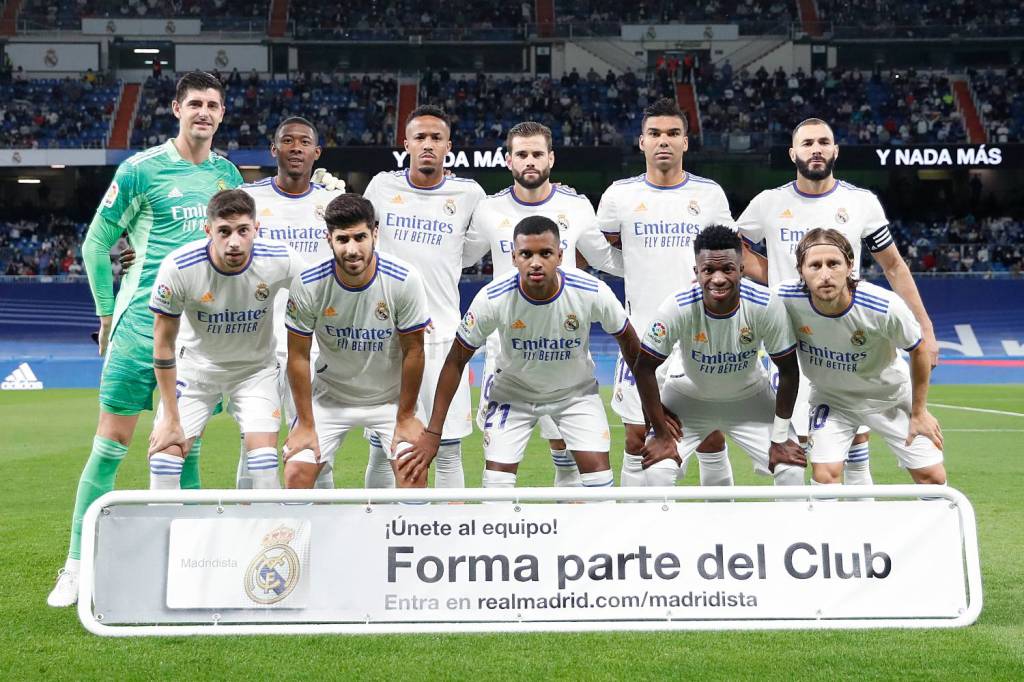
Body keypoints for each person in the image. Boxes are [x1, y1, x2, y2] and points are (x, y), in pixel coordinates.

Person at [48, 71, 242, 608]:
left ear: (222, 114)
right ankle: (76, 564)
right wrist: (106, 313)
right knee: (110, 443)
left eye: (213, 105)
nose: (204, 112)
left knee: (187, 447)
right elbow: (96, 244)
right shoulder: (140, 170)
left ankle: (193, 569)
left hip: (197, 336)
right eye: (195, 103)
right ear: (177, 109)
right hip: (139, 326)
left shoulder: (226, 175)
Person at [738, 117, 939, 486]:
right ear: (793, 153)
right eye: (807, 143)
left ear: (835, 150)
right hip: (790, 337)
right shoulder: (769, 202)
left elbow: (894, 266)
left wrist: (925, 326)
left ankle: (860, 516)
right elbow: (736, 248)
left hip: (847, 335)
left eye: (823, 142)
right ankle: (803, 516)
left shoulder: (860, 202)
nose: (816, 149)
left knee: (855, 441)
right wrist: (778, 276)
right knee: (793, 445)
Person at [404, 216, 640, 490]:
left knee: (599, 481)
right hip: (513, 395)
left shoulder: (592, 291)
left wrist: (654, 413)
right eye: (526, 254)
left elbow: (632, 346)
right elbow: (455, 362)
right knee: (496, 484)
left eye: (545, 253)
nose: (535, 262)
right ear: (514, 258)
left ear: (560, 256)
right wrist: (434, 432)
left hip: (575, 394)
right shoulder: (492, 298)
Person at [462, 120, 623, 487]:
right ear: (509, 160)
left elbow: (604, 258)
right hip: (507, 354)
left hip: (565, 347)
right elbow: (460, 259)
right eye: (522, 154)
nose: (530, 161)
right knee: (498, 465)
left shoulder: (576, 206)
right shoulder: (489, 209)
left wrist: (665, 259)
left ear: (551, 158)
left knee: (566, 455)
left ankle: (565, 521)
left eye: (537, 153)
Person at [596, 97, 734, 488]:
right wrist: (634, 263)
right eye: (654, 133)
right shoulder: (619, 196)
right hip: (641, 338)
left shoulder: (709, 195)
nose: (664, 141)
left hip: (701, 337)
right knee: (637, 436)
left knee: (710, 435)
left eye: (673, 133)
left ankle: (720, 519)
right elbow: (599, 249)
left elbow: (729, 257)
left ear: (685, 142)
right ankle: (633, 522)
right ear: (642, 142)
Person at [362, 105, 486, 489]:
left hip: (443, 338)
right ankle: (380, 518)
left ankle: (447, 522)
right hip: (387, 338)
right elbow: (363, 244)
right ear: (406, 144)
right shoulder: (381, 187)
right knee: (381, 447)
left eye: (436, 138)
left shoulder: (469, 194)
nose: (428, 144)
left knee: (448, 447)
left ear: (449, 146)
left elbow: (470, 252)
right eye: (420, 137)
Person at [147, 190, 303, 490]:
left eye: (243, 230)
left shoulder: (281, 259)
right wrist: (169, 418)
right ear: (208, 230)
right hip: (195, 371)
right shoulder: (180, 267)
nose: (234, 242)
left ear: (256, 228)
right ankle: (168, 524)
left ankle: (264, 523)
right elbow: (163, 343)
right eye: (224, 232)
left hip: (255, 371)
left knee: (264, 464)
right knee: (164, 461)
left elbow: (320, 294)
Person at [634, 225, 806, 486]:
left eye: (727, 269)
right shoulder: (677, 306)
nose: (718, 279)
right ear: (696, 272)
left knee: (790, 469)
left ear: (741, 269)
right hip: (688, 398)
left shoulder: (766, 305)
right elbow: (644, 367)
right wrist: (660, 431)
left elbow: (789, 370)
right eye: (708, 270)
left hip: (750, 399)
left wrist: (780, 437)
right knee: (658, 469)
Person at [283, 194, 430, 488]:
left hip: (391, 398)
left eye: (360, 237)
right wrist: (306, 424)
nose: (351, 249)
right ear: (329, 239)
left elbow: (414, 351)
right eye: (342, 239)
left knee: (413, 472)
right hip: (330, 396)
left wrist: (405, 416)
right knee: (296, 473)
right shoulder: (309, 284)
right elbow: (297, 356)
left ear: (375, 233)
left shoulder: (404, 279)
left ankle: (404, 522)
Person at [778, 229, 946, 486]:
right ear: (800, 270)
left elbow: (919, 349)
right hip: (832, 400)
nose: (825, 274)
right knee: (825, 475)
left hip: (889, 398)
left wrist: (920, 412)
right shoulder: (784, 298)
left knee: (932, 478)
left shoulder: (883, 306)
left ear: (849, 266)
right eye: (815, 265)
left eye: (833, 264)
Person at [236, 116, 346, 490]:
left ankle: (320, 521)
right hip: (260, 344)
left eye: (304, 142)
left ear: (317, 152)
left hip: (316, 345)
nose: (296, 147)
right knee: (254, 451)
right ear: (274, 149)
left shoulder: (332, 203)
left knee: (316, 450)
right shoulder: (249, 200)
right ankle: (250, 523)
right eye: (287, 140)